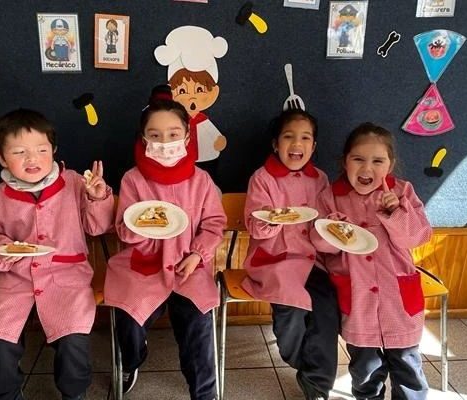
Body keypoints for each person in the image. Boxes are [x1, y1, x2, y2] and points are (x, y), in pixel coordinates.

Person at [0, 109, 114, 400]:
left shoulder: (75, 183)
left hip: (67, 278)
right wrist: (6, 248)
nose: (32, 159)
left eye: (41, 150)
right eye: (19, 152)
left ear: (53, 150)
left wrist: (97, 197)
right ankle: (6, 395)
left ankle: (74, 394)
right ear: (1, 158)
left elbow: (98, 226)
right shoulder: (0, 196)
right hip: (15, 281)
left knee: (73, 340)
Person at [104, 85, 226, 400]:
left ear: (187, 137)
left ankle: (205, 394)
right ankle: (133, 361)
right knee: (128, 321)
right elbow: (124, 229)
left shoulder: (201, 181)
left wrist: (198, 255)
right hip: (143, 267)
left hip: (188, 268)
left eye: (173, 134)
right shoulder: (133, 179)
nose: (165, 143)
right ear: (143, 139)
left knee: (198, 326)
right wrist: (140, 227)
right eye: (155, 136)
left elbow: (214, 224)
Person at [327, 122, 433, 400]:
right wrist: (332, 231)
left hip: (398, 300)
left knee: (408, 368)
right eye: (358, 159)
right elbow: (320, 247)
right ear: (344, 162)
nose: (367, 168)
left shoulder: (402, 192)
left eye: (378, 161)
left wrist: (396, 211)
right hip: (358, 298)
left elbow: (419, 236)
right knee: (365, 371)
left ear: (390, 164)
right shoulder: (332, 196)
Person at [240, 109, 340, 400]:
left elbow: (324, 223)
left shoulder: (319, 179)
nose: (297, 144)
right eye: (289, 137)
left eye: (305, 138)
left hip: (312, 261)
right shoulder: (262, 178)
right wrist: (272, 218)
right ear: (275, 144)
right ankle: (302, 362)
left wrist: (332, 225)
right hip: (274, 260)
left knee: (326, 306)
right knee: (291, 308)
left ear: (314, 146)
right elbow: (256, 227)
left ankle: (318, 383)